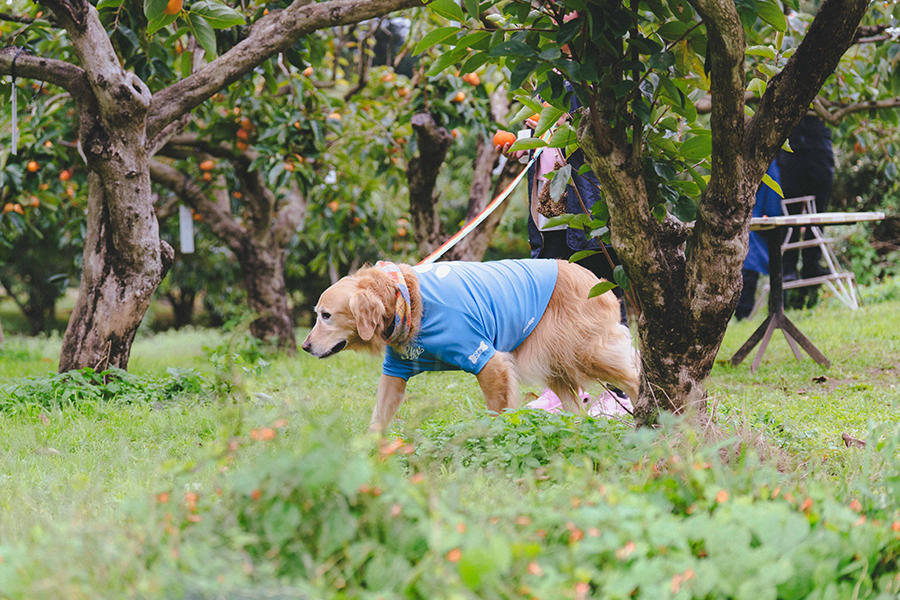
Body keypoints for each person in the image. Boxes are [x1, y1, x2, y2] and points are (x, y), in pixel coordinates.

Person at [495, 91, 631, 418]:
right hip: (549, 212)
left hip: (587, 208)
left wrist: (565, 120)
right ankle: (561, 390)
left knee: (603, 294)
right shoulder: (546, 79)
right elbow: (543, 144)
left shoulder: (587, 74)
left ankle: (620, 392)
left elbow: (606, 133)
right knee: (551, 306)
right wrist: (521, 145)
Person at [776, 115, 835, 308]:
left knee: (818, 210)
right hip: (792, 145)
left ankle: (811, 264)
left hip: (818, 142)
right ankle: (788, 267)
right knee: (790, 211)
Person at [735, 161, 783, 321]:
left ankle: (746, 311)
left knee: (751, 264)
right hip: (753, 217)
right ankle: (743, 312)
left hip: (760, 216)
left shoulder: (770, 164)